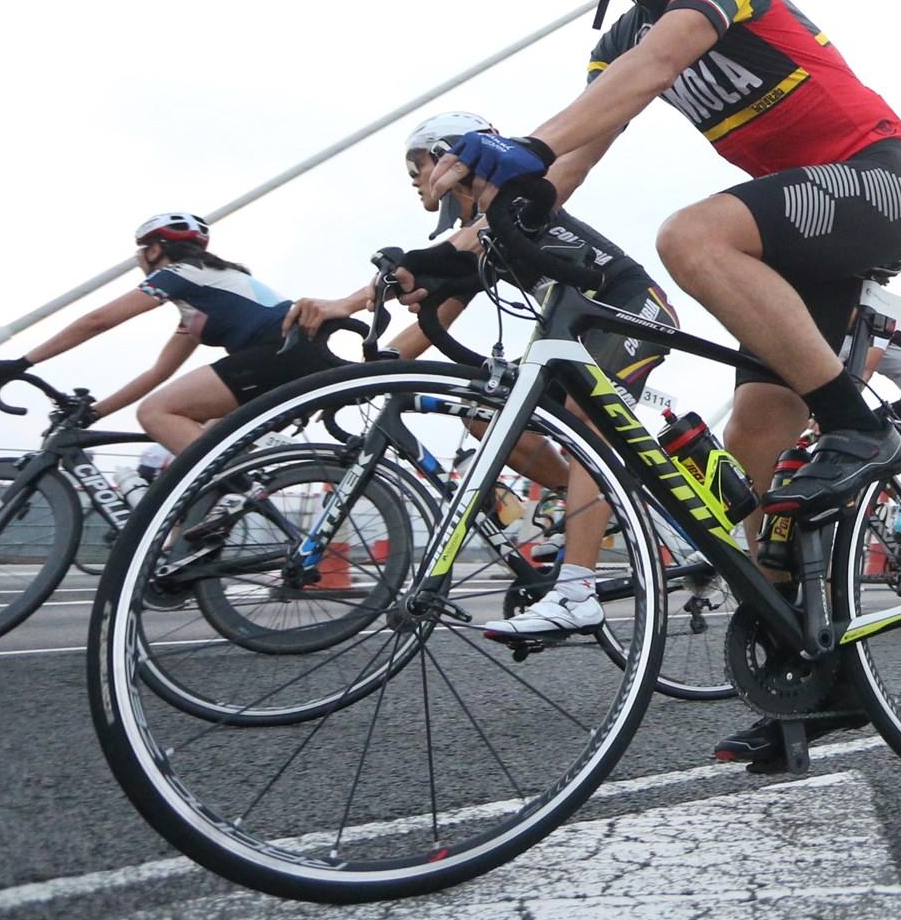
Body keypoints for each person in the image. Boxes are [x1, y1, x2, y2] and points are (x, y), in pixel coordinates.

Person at [426, 0, 901, 768]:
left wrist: (525, 147)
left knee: (689, 234)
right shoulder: (615, 41)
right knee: (748, 467)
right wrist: (463, 250)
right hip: (797, 245)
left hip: (876, 182)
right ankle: (814, 691)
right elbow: (567, 165)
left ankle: (858, 426)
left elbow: (655, 70)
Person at [281, 111, 677, 639]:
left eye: (417, 165)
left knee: (586, 419)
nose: (415, 179)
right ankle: (589, 498)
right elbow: (420, 332)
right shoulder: (477, 245)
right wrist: (353, 381)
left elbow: (448, 251)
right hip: (569, 332)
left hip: (630, 309)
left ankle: (576, 590)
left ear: (451, 156)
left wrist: (344, 302)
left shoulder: (515, 202)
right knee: (485, 417)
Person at [0, 214, 338, 458]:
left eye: (140, 253)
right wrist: (94, 413)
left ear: (155, 249)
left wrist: (21, 362)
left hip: (280, 351)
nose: (139, 261)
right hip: (294, 355)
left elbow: (98, 320)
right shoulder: (202, 300)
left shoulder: (181, 272)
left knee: (157, 413)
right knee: (201, 440)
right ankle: (194, 541)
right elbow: (158, 373)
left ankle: (230, 485)